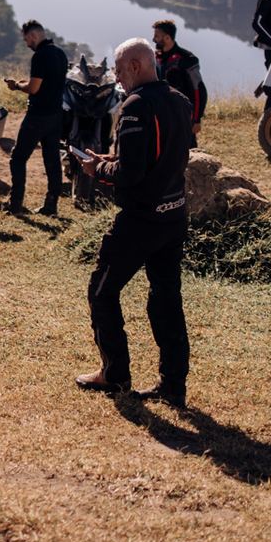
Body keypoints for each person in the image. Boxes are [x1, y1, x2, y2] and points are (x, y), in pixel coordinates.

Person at [74, 38, 195, 407]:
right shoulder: (179, 100)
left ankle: (114, 373)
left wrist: (98, 168)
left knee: (102, 290)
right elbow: (166, 153)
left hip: (141, 220)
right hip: (174, 214)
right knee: (166, 299)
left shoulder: (135, 107)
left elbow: (130, 173)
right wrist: (114, 155)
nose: (117, 77)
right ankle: (173, 385)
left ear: (138, 66)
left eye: (120, 69)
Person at [5, 19, 68, 215]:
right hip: (56, 114)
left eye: (26, 40)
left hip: (38, 116)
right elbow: (47, 83)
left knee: (18, 158)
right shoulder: (60, 53)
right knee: (52, 160)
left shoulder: (40, 56)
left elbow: (34, 88)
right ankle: (51, 206)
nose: (27, 44)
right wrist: (28, 82)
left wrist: (16, 85)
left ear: (33, 36)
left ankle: (15, 205)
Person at [151, 20, 208, 145]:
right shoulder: (156, 58)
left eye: (156, 36)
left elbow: (198, 90)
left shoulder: (187, 59)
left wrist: (197, 119)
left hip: (184, 115)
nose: (153, 39)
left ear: (167, 38)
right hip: (162, 115)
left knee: (189, 154)